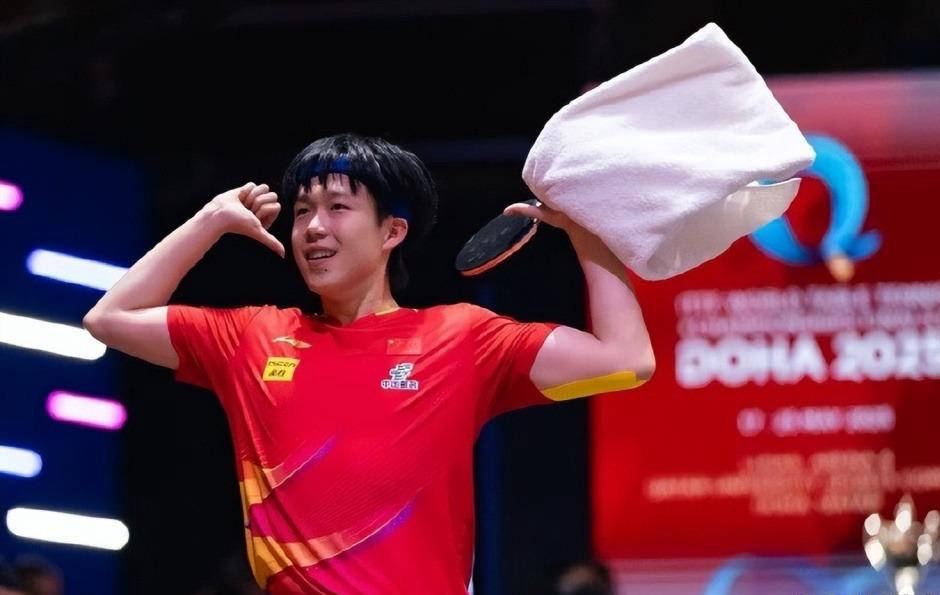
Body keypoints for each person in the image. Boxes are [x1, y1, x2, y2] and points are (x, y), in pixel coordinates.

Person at [83, 133, 654, 594]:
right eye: (302, 211)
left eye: (337, 208)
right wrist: (210, 219)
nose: (313, 227)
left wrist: (585, 232)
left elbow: (626, 359)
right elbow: (109, 318)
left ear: (392, 232)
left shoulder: (461, 338)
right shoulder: (252, 338)